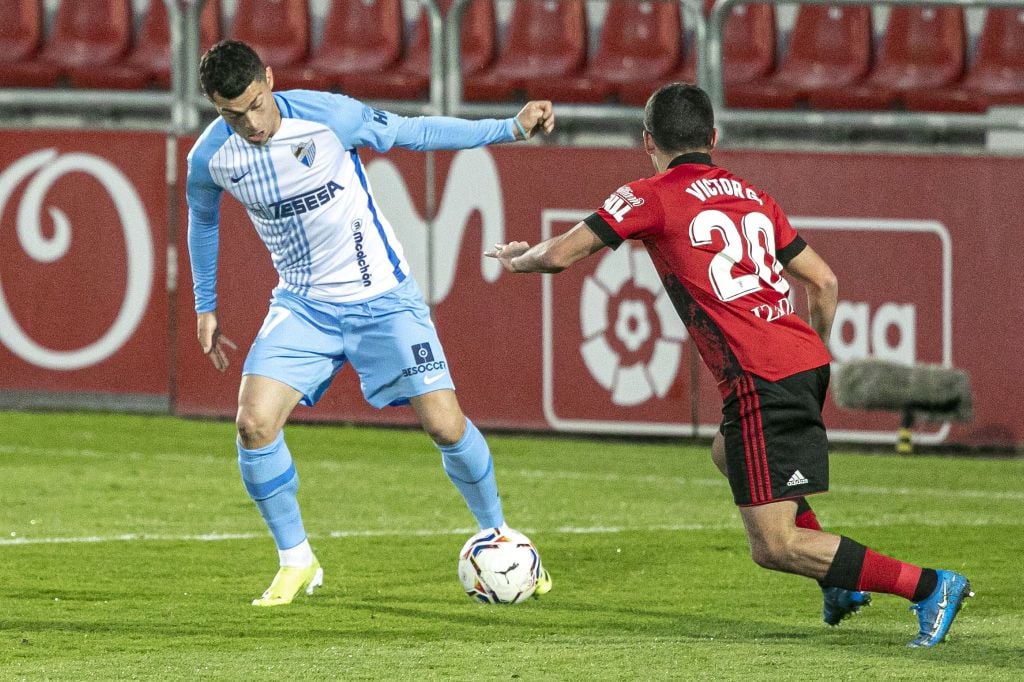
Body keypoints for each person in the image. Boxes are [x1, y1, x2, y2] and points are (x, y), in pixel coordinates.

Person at [485, 83, 971, 648]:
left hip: (761, 378)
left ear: (648, 141)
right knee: (727, 453)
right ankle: (838, 584)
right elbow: (824, 280)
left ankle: (930, 586)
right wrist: (810, 350)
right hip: (797, 364)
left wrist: (519, 260)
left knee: (775, 545)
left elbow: (560, 255)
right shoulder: (752, 195)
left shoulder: (650, 195)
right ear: (713, 139)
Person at [186, 40, 554, 606]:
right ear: (215, 106)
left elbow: (415, 132)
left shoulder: (328, 116)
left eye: (257, 105)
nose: (251, 124)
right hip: (303, 306)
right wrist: (205, 305)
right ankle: (296, 562)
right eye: (232, 114)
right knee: (254, 424)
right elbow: (203, 220)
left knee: (446, 427)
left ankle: (499, 534)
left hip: (382, 297)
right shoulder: (211, 158)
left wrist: (507, 127)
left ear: (269, 78)